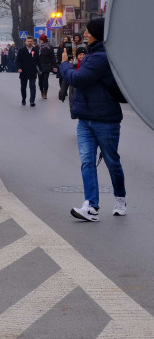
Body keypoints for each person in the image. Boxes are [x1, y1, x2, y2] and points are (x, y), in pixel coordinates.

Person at [59, 18, 126, 221]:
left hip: (105, 119)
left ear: (97, 33)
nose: (85, 34)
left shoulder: (101, 57)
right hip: (85, 118)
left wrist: (64, 64)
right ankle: (91, 206)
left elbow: (78, 79)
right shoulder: (92, 54)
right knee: (87, 162)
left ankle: (120, 199)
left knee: (112, 162)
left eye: (88, 31)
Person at [16, 36, 38, 106]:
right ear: (25, 42)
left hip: (32, 71)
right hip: (23, 71)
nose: (29, 43)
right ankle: (23, 99)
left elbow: (38, 61)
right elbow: (17, 60)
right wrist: (19, 68)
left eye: (31, 41)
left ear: (33, 42)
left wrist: (40, 69)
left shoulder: (35, 50)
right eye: (28, 41)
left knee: (32, 87)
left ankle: (32, 101)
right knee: (23, 87)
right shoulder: (21, 50)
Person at [37, 34, 56, 100]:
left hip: (47, 65)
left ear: (44, 40)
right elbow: (35, 57)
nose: (40, 41)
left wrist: (54, 65)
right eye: (40, 40)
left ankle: (45, 93)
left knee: (45, 80)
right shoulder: (38, 47)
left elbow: (52, 57)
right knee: (40, 81)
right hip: (39, 66)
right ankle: (41, 91)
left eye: (41, 40)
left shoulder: (49, 47)